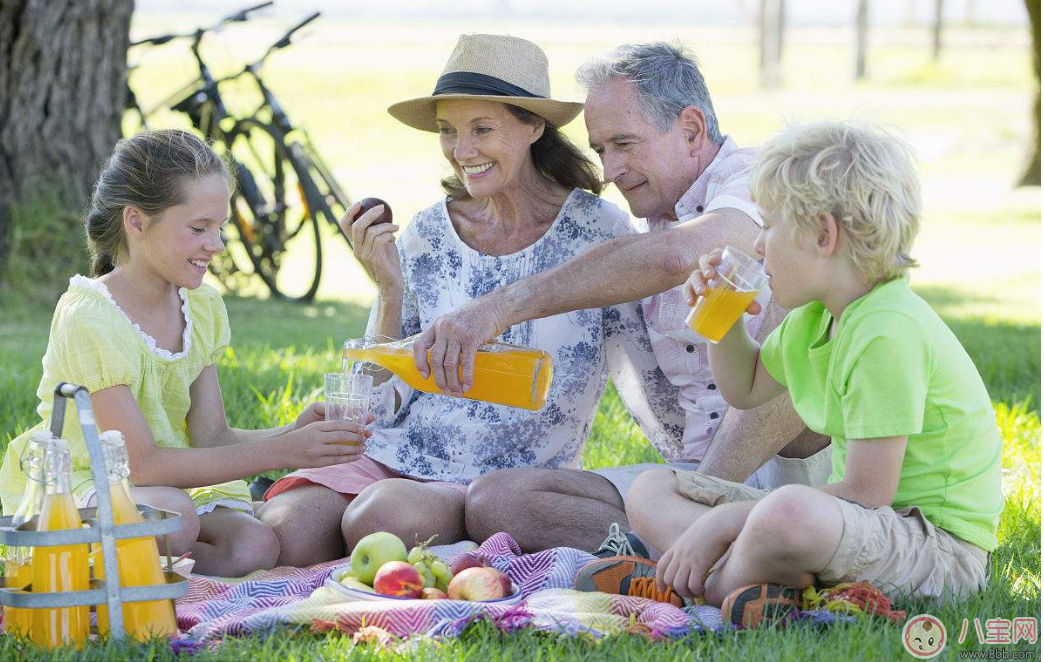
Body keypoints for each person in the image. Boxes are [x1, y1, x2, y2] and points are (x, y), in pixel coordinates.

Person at [257, 34, 681, 565]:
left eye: (482, 129)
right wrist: (389, 290)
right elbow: (375, 400)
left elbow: (645, 383)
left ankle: (461, 534)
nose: (462, 152)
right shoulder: (428, 233)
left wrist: (705, 480)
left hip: (496, 480)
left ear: (532, 127)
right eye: (448, 131)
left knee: (378, 519)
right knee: (284, 532)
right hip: (390, 454)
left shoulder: (598, 234)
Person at [577, 121, 1002, 620]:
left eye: (771, 226)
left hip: (934, 548)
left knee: (785, 511)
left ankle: (696, 586)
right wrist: (723, 323)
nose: (758, 246)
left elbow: (869, 492)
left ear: (824, 235)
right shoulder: (815, 319)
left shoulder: (886, 330)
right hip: (857, 527)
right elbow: (745, 388)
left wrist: (732, 518)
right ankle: (753, 587)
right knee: (655, 489)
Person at [422, 42, 830, 554]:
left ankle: (709, 538)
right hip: (694, 475)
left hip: (801, 470)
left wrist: (499, 307)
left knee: (795, 325)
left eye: (624, 144)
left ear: (691, 130)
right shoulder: (644, 227)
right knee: (499, 500)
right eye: (600, 151)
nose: (610, 170)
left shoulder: (760, 180)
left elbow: (679, 256)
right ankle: (690, 553)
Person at [0, 130, 371, 577]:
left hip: (160, 489)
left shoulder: (200, 305)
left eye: (220, 228)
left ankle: (148, 578)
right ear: (136, 223)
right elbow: (142, 465)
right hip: (82, 485)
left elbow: (212, 437)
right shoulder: (90, 318)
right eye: (198, 229)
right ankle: (61, 559)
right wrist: (284, 451)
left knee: (255, 545)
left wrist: (292, 433)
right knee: (174, 519)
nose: (216, 244)